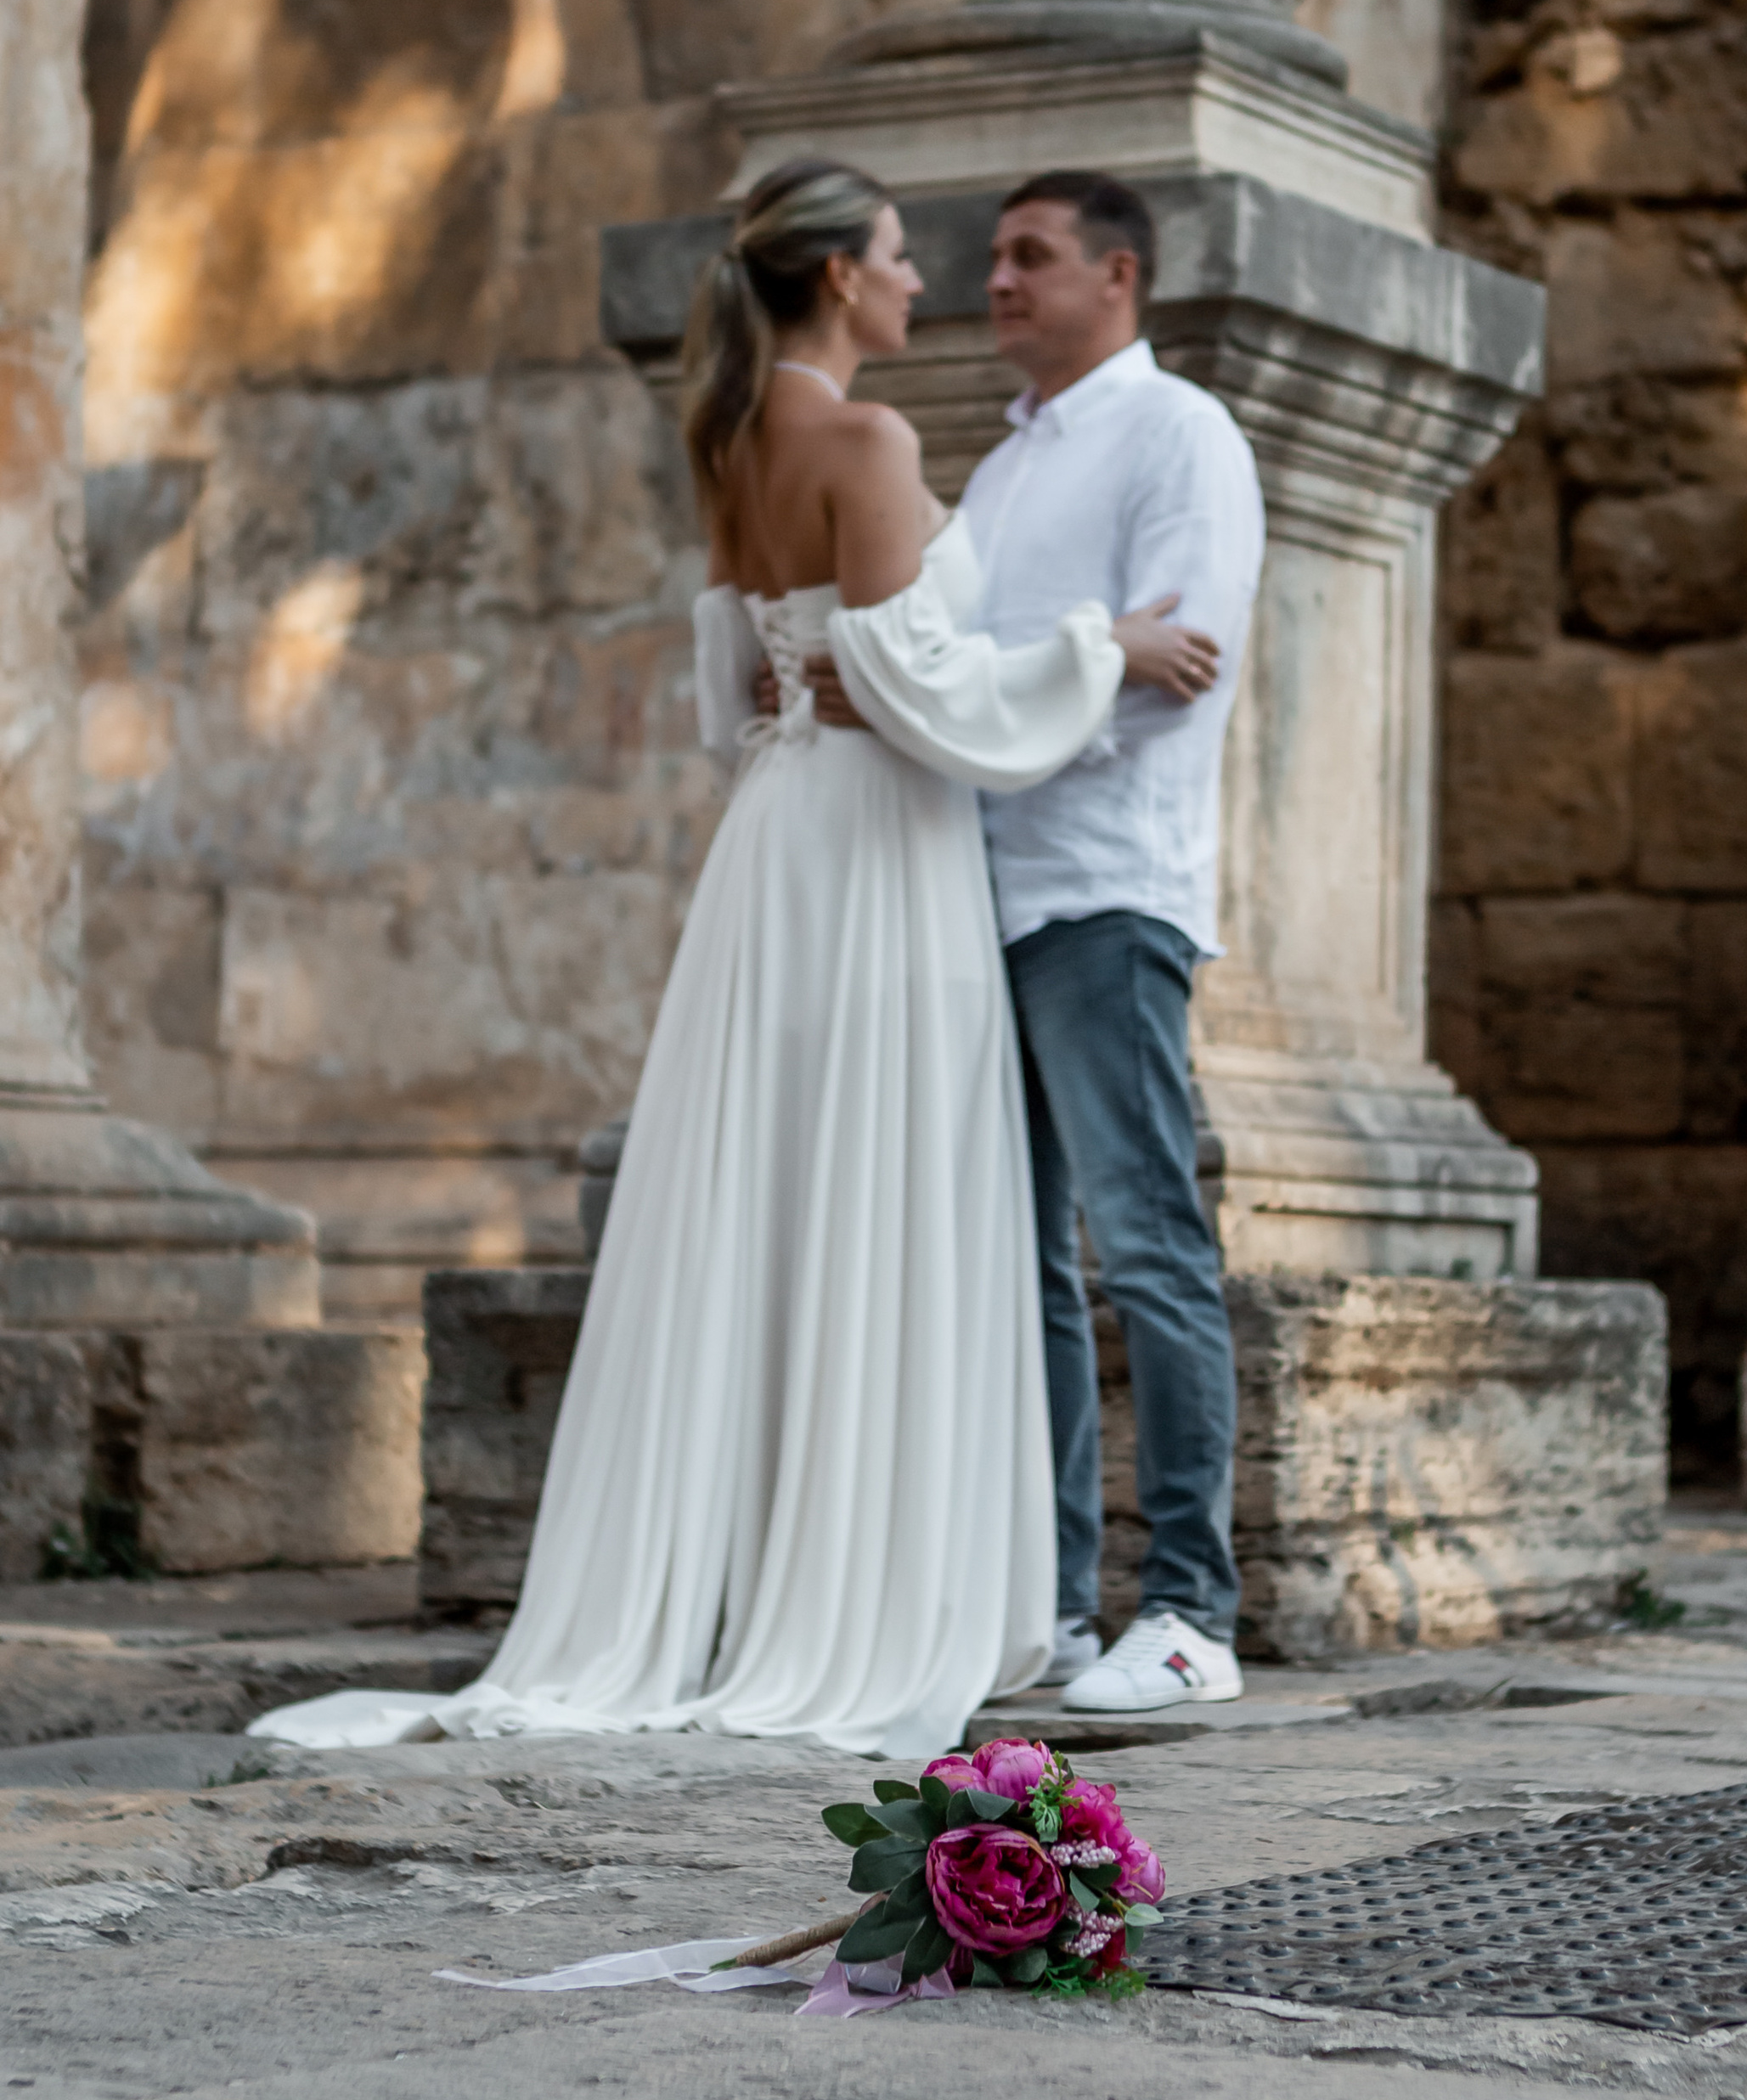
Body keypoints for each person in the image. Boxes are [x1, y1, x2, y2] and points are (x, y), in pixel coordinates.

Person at [247, 159, 1219, 1765]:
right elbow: (931, 696)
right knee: (878, 1195)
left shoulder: (732, 437)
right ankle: (859, 1595)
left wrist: (825, 686)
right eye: (905, 257)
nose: (927, 282)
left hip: (779, 838)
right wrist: (1099, 648)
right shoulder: (869, 438)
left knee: (782, 1197)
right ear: (840, 275)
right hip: (882, 848)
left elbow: (737, 693)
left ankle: (764, 1577)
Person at [812, 172, 1264, 1713]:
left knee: (1146, 1245)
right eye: (989, 258)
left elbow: (1174, 662)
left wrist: (984, 693)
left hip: (1103, 889)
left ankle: (1194, 1612)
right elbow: (952, 678)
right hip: (979, 893)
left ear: (1118, 275)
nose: (990, 281)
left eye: (1029, 256)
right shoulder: (1001, 469)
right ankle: (1062, 1605)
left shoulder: (1179, 433)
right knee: (1024, 1271)